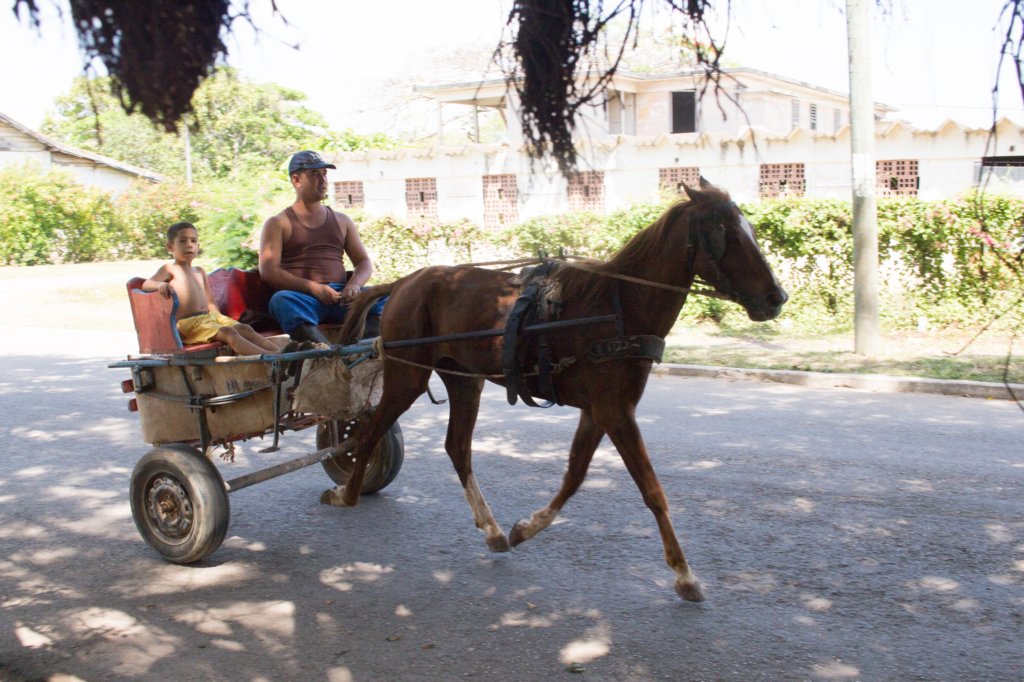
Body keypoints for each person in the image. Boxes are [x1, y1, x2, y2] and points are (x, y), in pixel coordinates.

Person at [259, 150, 384, 346]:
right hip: (306, 300)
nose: (323, 180)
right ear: (296, 180)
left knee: (386, 296)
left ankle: (358, 349)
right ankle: (325, 353)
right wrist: (314, 289)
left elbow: (363, 262)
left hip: (344, 298)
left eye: (324, 174)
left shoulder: (343, 221)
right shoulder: (278, 223)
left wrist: (354, 285)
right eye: (315, 174)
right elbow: (269, 271)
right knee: (281, 301)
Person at [143, 221, 283, 356]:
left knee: (244, 328)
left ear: (198, 245)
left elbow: (210, 301)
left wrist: (218, 318)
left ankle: (282, 352)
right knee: (229, 333)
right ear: (170, 247)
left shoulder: (199, 271)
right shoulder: (169, 269)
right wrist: (160, 284)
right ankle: (272, 357)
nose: (189, 245)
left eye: (193, 241)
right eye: (183, 241)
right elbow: (146, 284)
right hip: (188, 325)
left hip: (209, 319)